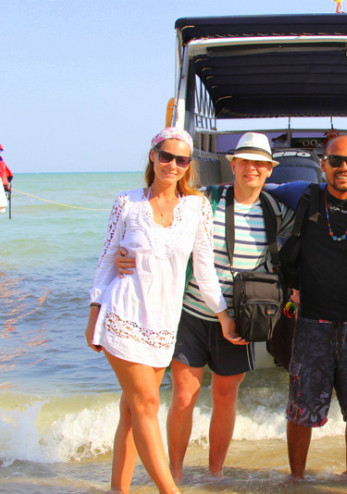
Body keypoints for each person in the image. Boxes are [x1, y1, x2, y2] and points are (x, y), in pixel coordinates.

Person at [114, 132, 293, 483]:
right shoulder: (202, 200)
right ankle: (175, 473)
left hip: (240, 318)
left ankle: (215, 474)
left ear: (270, 170)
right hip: (191, 312)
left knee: (225, 396)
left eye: (260, 163)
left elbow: (309, 226)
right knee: (183, 396)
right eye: (245, 161)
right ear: (233, 164)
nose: (252, 168)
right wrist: (125, 253)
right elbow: (157, 221)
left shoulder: (275, 211)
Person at [85, 128, 236, 494]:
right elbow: (106, 260)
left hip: (164, 324)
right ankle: (171, 491)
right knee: (148, 403)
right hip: (123, 315)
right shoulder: (127, 203)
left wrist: (223, 316)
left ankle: (118, 489)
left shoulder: (197, 207)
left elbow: (204, 271)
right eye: (166, 156)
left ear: (189, 165)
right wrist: (93, 316)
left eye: (182, 160)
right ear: (153, 155)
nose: (173, 165)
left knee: (132, 411)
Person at [266, 134, 347, 479]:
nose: (344, 168)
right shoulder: (302, 194)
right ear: (322, 164)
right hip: (311, 324)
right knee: (300, 409)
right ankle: (296, 480)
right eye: (336, 160)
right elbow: (255, 187)